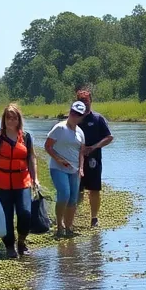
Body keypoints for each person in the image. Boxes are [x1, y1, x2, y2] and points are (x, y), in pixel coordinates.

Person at [0, 104, 38, 259]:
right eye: (8, 117)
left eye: (14, 117)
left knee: (25, 213)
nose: (11, 120)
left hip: (22, 181)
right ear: (4, 119)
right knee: (7, 216)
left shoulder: (26, 137)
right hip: (1, 183)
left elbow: (31, 158)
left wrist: (35, 178)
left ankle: (21, 242)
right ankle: (9, 245)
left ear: (18, 119)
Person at [45, 100, 87, 239]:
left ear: (82, 117)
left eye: (78, 114)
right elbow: (48, 146)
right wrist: (58, 159)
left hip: (74, 170)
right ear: (70, 112)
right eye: (73, 112)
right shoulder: (59, 128)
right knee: (64, 193)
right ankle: (59, 225)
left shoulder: (80, 132)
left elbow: (81, 152)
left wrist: (81, 168)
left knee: (73, 199)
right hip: (58, 168)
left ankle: (69, 226)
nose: (75, 116)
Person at [75, 88, 114, 227]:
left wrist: (94, 147)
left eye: (86, 101)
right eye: (81, 101)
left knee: (94, 190)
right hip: (75, 160)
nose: (84, 104)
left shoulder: (98, 119)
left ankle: (94, 218)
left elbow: (109, 137)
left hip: (93, 160)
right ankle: (75, 217)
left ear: (90, 101)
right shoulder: (73, 119)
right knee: (76, 189)